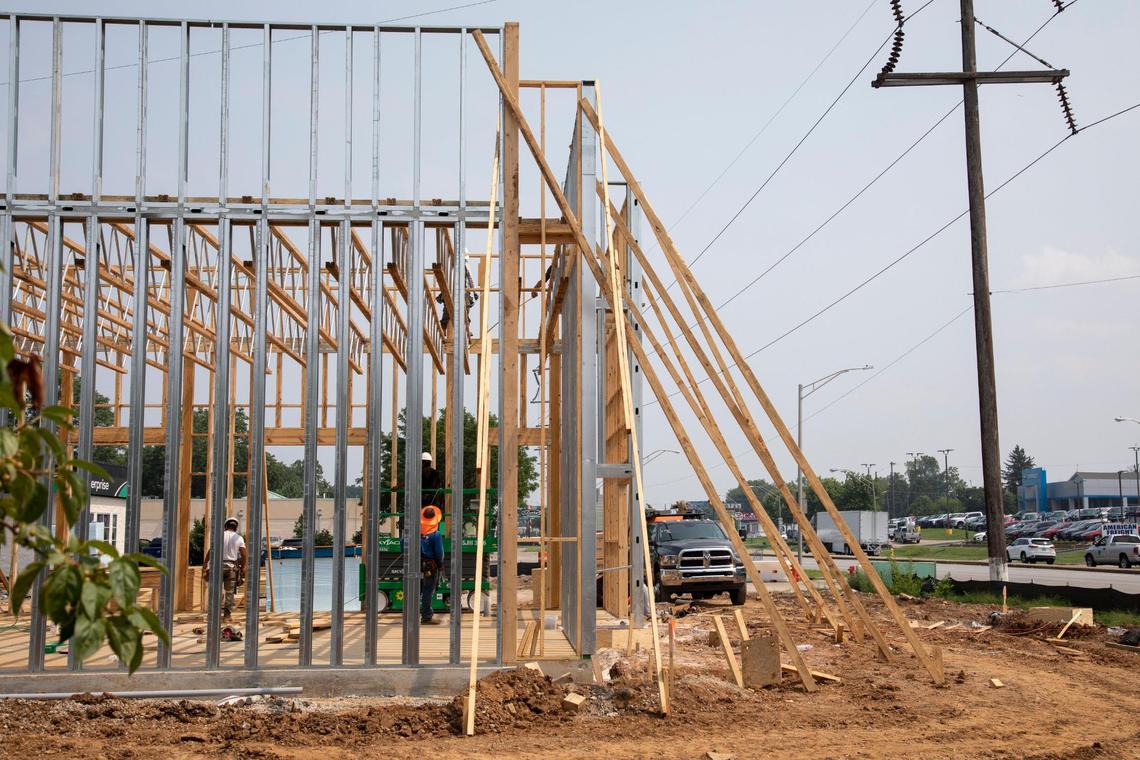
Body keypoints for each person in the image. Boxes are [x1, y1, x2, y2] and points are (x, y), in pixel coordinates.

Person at [205, 517, 247, 623]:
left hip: (217, 566)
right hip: (231, 568)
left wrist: (205, 564)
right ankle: (227, 616)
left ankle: (214, 615)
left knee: (216, 591)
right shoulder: (239, 538)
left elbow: (211, 551)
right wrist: (244, 566)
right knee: (229, 592)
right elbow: (243, 553)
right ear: (236, 527)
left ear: (225, 526)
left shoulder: (219, 536)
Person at [419, 505, 445, 625]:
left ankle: (411, 614)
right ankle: (426, 616)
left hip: (416, 564)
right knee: (428, 590)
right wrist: (440, 565)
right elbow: (439, 553)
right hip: (430, 565)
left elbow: (403, 542)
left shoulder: (416, 531)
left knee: (415, 589)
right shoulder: (436, 535)